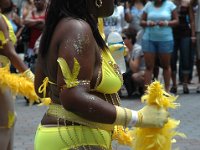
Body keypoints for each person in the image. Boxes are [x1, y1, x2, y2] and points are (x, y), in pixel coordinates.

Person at [34, 0, 169, 149]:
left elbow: (42, 87)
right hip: (76, 140)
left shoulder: (62, 25)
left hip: (69, 136)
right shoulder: (77, 28)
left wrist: (97, 60)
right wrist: (138, 118)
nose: (118, 1)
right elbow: (72, 97)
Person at [0, 0, 36, 149]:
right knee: (5, 125)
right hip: (1, 78)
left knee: (10, 121)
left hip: (5, 75)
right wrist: (32, 79)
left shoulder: (3, 16)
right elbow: (10, 53)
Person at [140, 0, 179, 92]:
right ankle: (147, 92)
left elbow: (176, 21)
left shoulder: (170, 5)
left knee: (166, 65)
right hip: (149, 38)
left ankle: (167, 91)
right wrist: (148, 23)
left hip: (166, 39)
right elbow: (141, 21)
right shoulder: (148, 5)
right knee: (149, 66)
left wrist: (166, 23)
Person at [170, 0, 196, 94]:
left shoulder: (187, 3)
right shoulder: (169, 3)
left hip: (185, 33)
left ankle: (185, 83)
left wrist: (193, 35)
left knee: (185, 58)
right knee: (172, 59)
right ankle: (174, 84)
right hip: (172, 33)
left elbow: (192, 20)